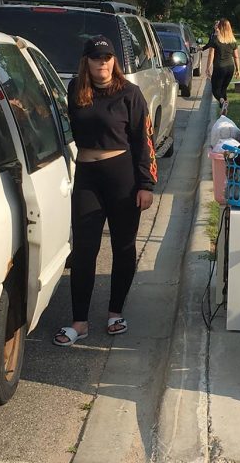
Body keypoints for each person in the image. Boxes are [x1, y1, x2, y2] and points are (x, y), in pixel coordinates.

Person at [53, 35, 157, 345]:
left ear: (115, 61)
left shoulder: (130, 93)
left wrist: (146, 184)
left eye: (108, 57)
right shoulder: (76, 91)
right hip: (87, 175)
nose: (104, 62)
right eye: (98, 58)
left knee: (123, 247)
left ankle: (115, 313)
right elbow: (58, 119)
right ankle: (79, 322)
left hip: (122, 177)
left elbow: (144, 140)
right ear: (86, 61)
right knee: (85, 251)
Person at [204, 18, 240, 115]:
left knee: (215, 90)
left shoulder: (215, 40)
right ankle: (224, 110)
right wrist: (238, 69)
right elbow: (236, 56)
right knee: (223, 89)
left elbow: (211, 54)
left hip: (220, 67)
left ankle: (223, 102)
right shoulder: (233, 40)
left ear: (221, 27)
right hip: (230, 67)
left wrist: (208, 68)